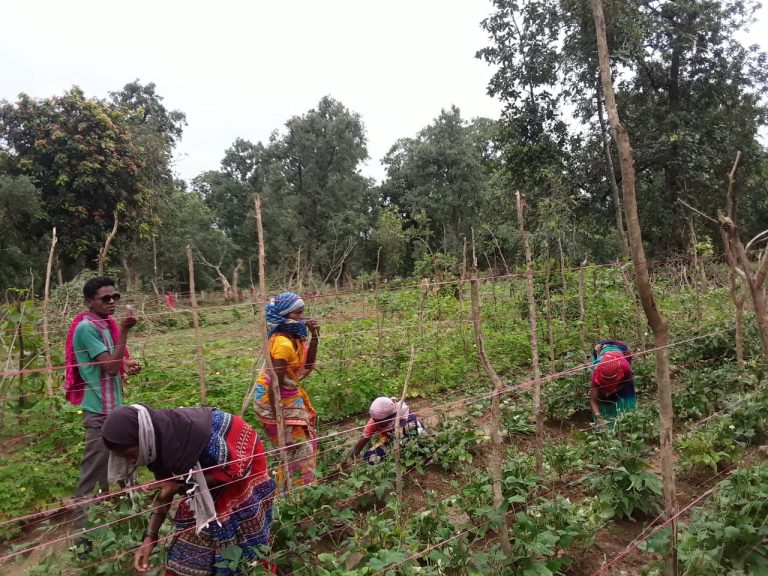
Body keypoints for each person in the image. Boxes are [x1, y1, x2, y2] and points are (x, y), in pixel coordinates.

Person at [102, 404, 276, 575]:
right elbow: (165, 491)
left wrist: (181, 486)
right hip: (204, 476)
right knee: (190, 546)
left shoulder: (198, 434)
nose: (130, 462)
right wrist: (149, 538)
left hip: (240, 462)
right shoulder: (155, 442)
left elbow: (235, 471)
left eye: (130, 454)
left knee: (239, 532)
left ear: (142, 437)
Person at [67, 276, 141, 547]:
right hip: (99, 414)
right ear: (89, 302)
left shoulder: (105, 324)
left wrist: (127, 364)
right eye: (105, 298)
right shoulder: (87, 328)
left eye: (115, 297)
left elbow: (114, 362)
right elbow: (108, 366)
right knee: (93, 478)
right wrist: (125, 331)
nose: (112, 302)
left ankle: (130, 527)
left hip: (114, 412)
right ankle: (80, 542)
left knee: (125, 468)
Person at [253, 292, 320, 487]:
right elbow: (275, 387)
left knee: (307, 442)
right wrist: (284, 429)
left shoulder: (293, 338)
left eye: (302, 312)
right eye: (297, 313)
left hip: (288, 395)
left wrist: (314, 336)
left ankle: (303, 488)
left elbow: (306, 365)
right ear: (284, 315)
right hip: (273, 401)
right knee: (294, 450)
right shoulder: (282, 344)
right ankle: (293, 494)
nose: (302, 317)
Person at [342, 397, 427, 466]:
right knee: (371, 458)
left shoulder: (404, 413)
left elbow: (410, 434)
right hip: (390, 440)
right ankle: (395, 457)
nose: (376, 423)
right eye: (375, 420)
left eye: (381, 421)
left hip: (409, 438)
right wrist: (347, 460)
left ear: (392, 415)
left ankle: (421, 440)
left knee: (415, 442)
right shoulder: (374, 423)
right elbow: (361, 442)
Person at [590, 339, 636, 428]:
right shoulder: (596, 372)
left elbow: (628, 380)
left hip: (621, 349)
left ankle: (628, 415)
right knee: (600, 396)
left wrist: (614, 390)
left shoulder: (625, 368)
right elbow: (593, 400)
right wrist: (598, 417)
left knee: (627, 393)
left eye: (613, 380)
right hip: (601, 349)